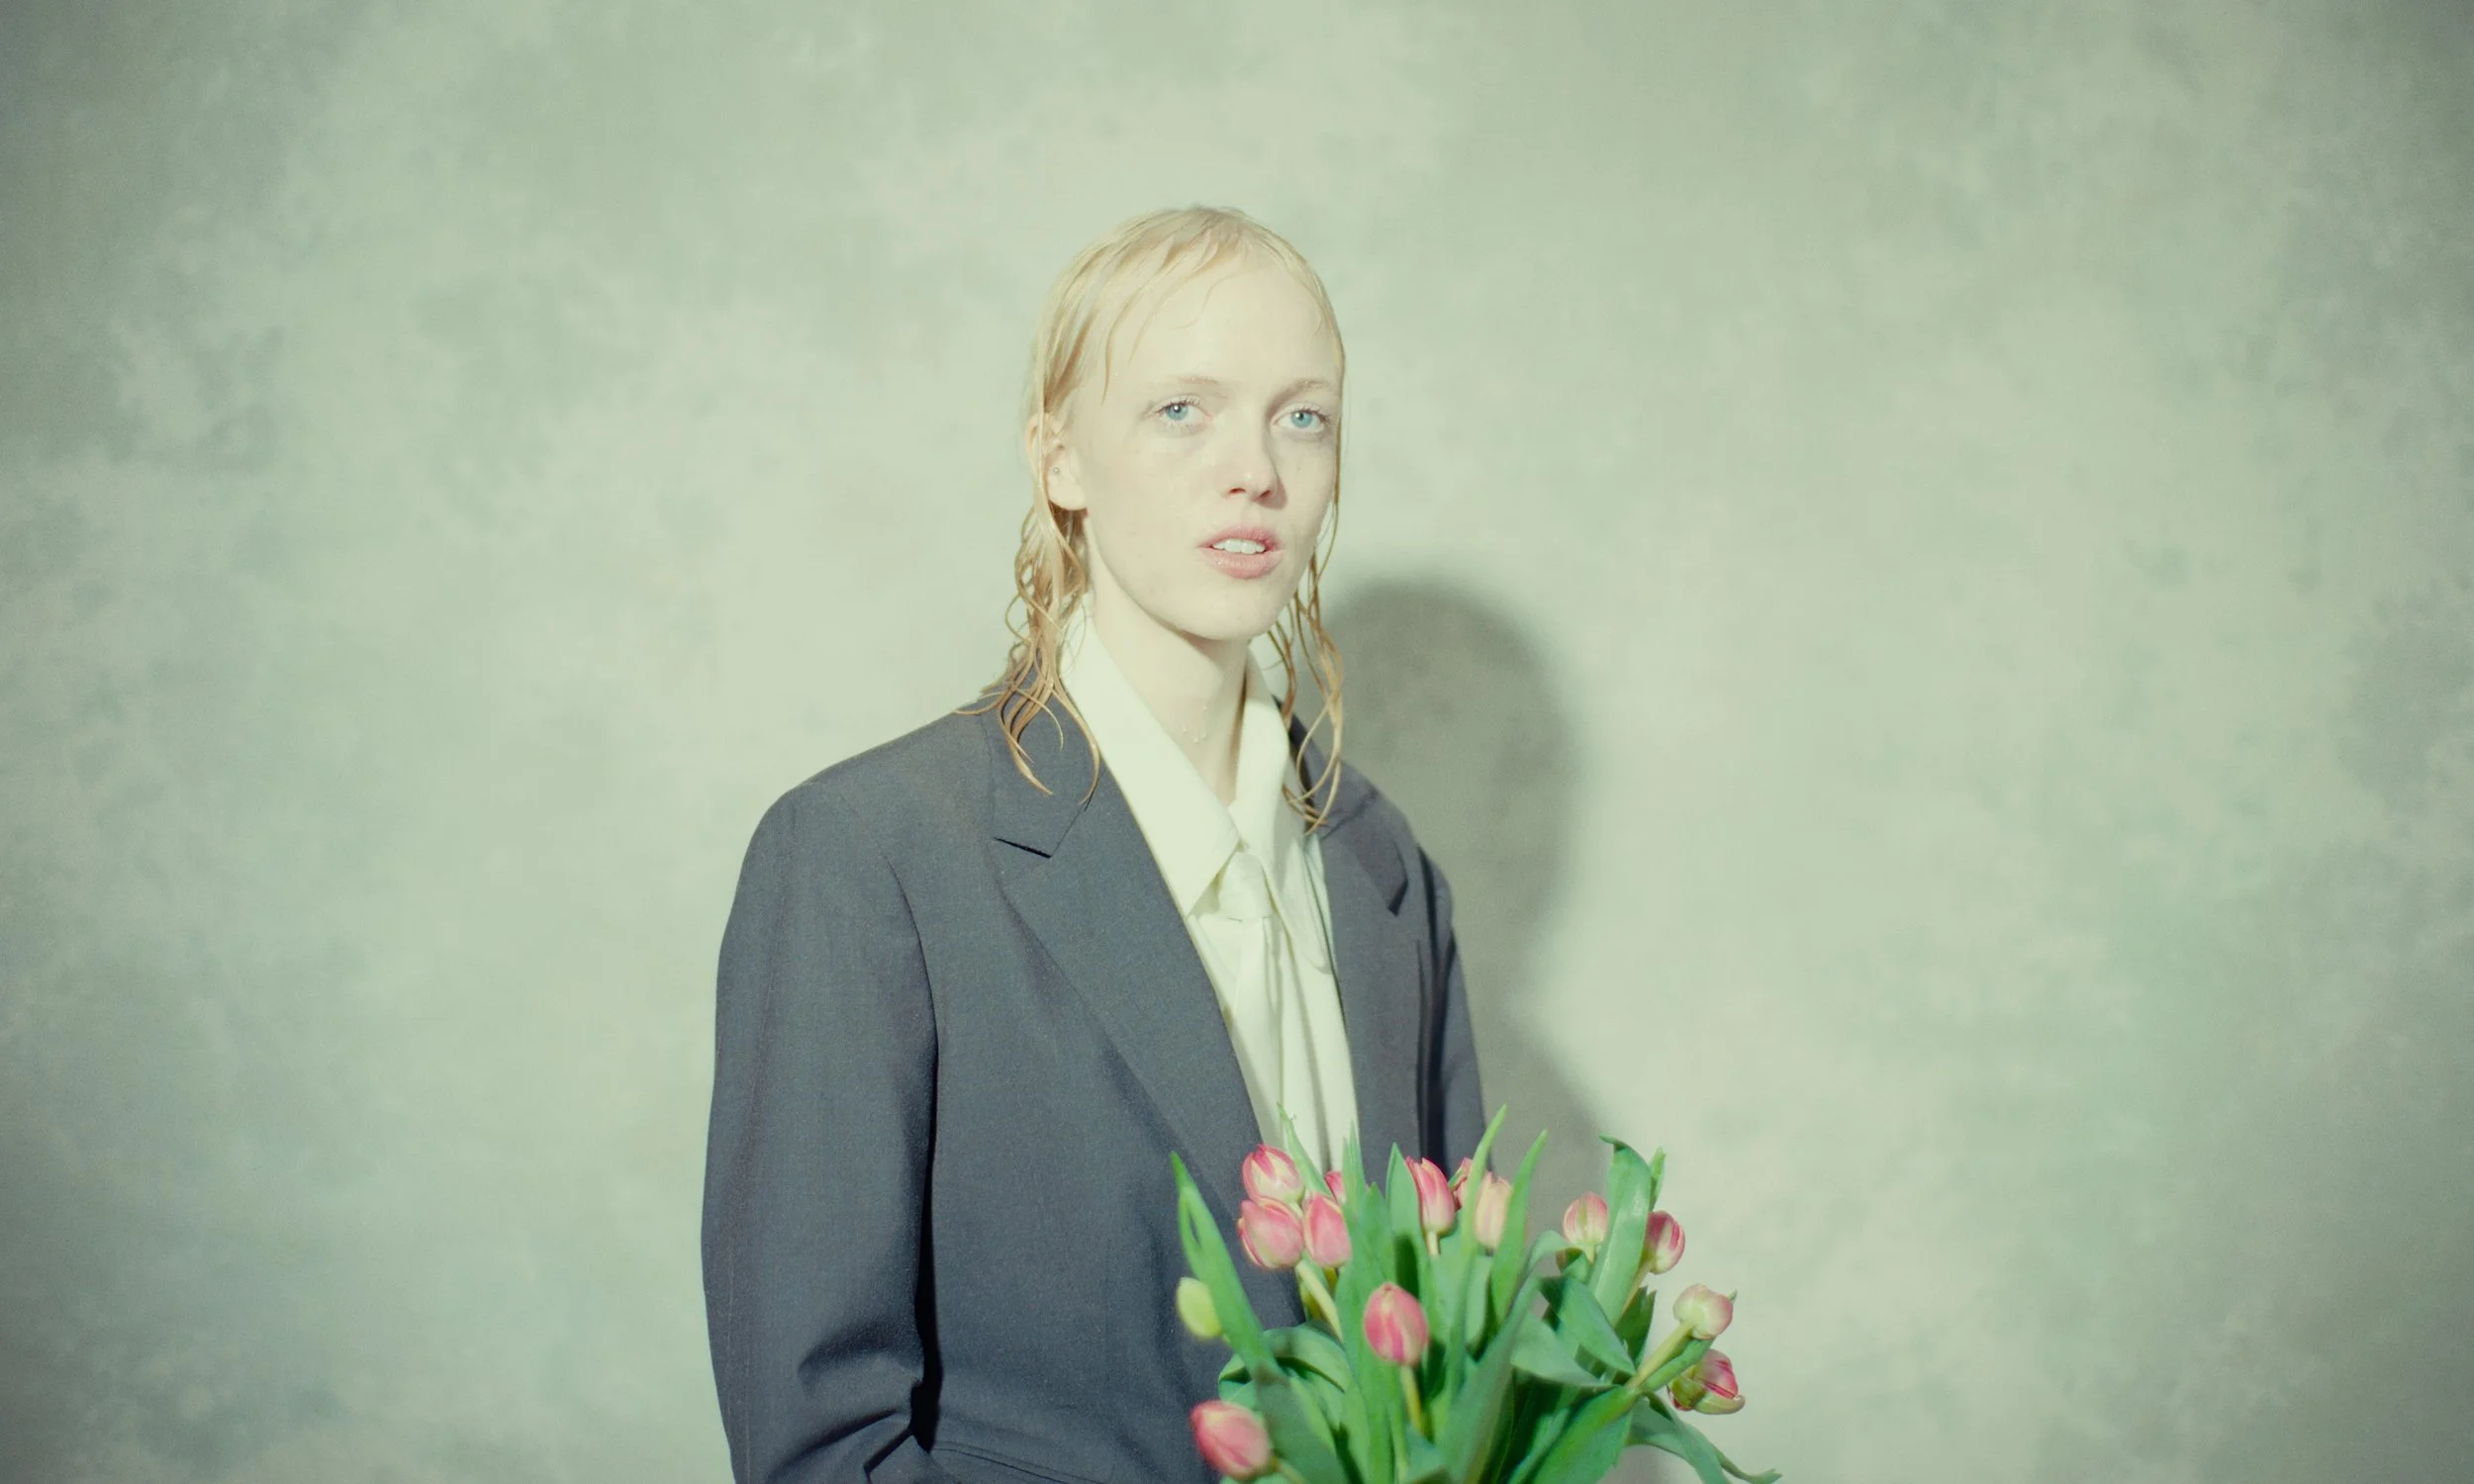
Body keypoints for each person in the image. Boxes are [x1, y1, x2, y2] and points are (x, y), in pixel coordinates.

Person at [700, 205, 1488, 1484]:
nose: (1259, 471)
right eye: (1184, 409)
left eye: (1304, 415)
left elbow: (1446, 1367)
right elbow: (821, 1446)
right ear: (1059, 459)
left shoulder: (1383, 865)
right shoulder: (866, 857)